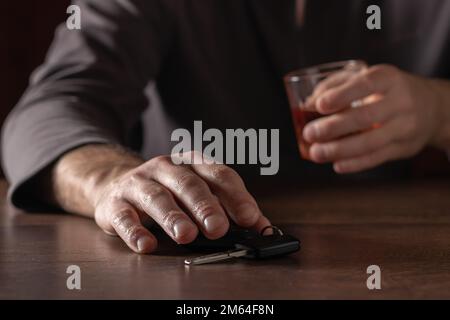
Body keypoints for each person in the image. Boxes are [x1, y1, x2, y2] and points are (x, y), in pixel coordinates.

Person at [2, 0, 450, 253]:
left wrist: (439, 109)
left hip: (391, 259)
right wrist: (109, 180)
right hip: (183, 258)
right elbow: (46, 112)